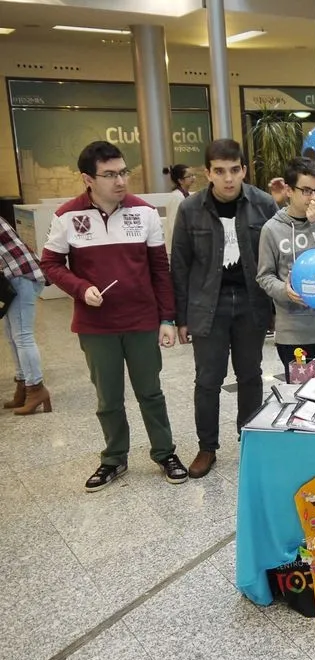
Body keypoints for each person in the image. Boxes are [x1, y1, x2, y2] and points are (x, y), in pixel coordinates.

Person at [39, 141, 185, 492]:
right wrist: (79, 287)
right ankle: (114, 458)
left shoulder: (144, 212)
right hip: (96, 326)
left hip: (141, 321)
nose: (120, 181)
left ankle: (164, 452)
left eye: (123, 172)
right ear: (88, 178)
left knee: (151, 393)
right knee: (108, 398)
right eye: (110, 175)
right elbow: (50, 263)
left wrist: (167, 318)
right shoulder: (67, 216)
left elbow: (159, 270)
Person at [171, 139, 277, 479]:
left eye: (234, 170)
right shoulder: (190, 209)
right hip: (208, 306)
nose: (228, 178)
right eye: (219, 171)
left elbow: (278, 256)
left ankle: (249, 441)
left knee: (250, 376)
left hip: (251, 303)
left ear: (243, 170)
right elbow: (181, 265)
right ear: (208, 173)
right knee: (207, 380)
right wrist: (181, 317)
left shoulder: (262, 204)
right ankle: (207, 447)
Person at [257, 157, 315, 381]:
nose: (313, 198)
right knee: (299, 401)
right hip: (293, 334)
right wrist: (284, 290)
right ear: (289, 190)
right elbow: (264, 275)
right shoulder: (272, 229)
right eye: (306, 191)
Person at [1, 216, 50, 415]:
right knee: (12, 334)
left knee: (22, 335)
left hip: (21, 276)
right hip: (13, 277)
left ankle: (36, 388)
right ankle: (23, 385)